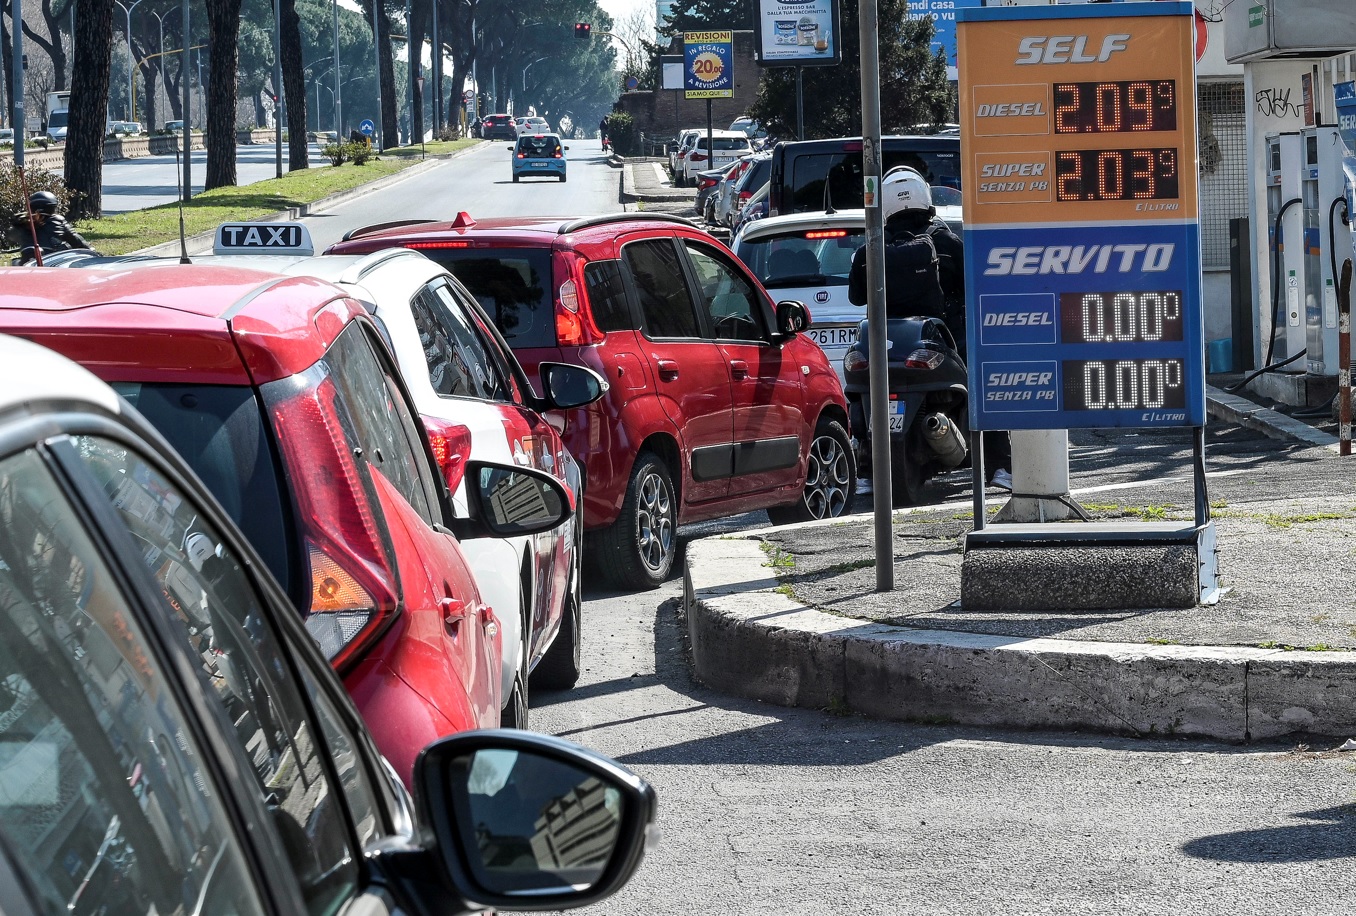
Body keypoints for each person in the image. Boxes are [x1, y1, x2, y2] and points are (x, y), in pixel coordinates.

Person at [847, 166, 1012, 490]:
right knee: (981, 389)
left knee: (861, 391)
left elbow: (855, 297)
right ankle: (1001, 468)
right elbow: (973, 286)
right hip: (941, 340)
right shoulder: (946, 241)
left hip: (887, 346)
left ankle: (865, 470)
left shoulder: (872, 248)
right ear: (925, 198)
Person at [19, 191, 91, 263]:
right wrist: (90, 250)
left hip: (28, 264)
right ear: (52, 207)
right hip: (53, 262)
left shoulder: (23, 222)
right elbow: (75, 239)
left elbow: (12, 237)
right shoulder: (57, 220)